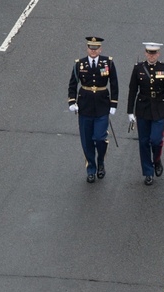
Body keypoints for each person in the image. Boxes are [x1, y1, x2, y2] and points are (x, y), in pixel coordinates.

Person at [67, 36, 119, 183]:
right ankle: (91, 168)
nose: (93, 50)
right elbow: (73, 84)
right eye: (91, 48)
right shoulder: (80, 64)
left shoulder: (107, 62)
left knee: (99, 138)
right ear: (87, 48)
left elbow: (114, 84)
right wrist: (72, 101)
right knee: (87, 140)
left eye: (96, 48)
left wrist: (113, 104)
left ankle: (100, 161)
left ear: (100, 49)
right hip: (85, 106)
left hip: (102, 106)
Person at [128, 42, 164, 186]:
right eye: (149, 53)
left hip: (160, 108)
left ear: (158, 54)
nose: (151, 56)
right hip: (143, 108)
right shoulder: (138, 69)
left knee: (155, 140)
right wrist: (130, 111)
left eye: (154, 53)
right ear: (145, 54)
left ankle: (156, 160)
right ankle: (148, 172)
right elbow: (132, 90)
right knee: (143, 142)